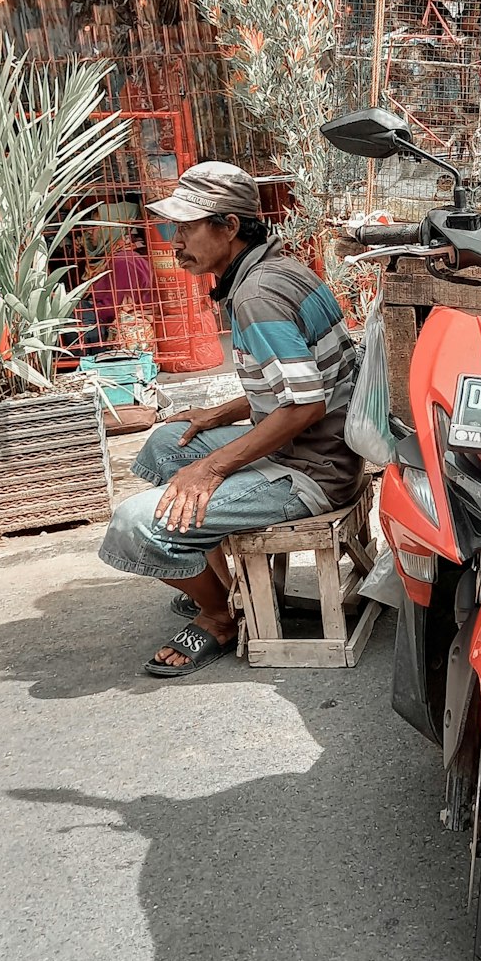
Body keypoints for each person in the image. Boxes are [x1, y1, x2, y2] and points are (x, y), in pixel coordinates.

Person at [99, 162, 364, 680]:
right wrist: (218, 413)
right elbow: (301, 384)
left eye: (189, 227)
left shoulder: (255, 296)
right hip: (319, 446)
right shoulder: (277, 270)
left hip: (312, 470)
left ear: (230, 227)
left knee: (133, 525)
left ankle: (218, 614)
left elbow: (306, 404)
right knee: (166, 445)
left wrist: (214, 469)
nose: (177, 240)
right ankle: (216, 577)